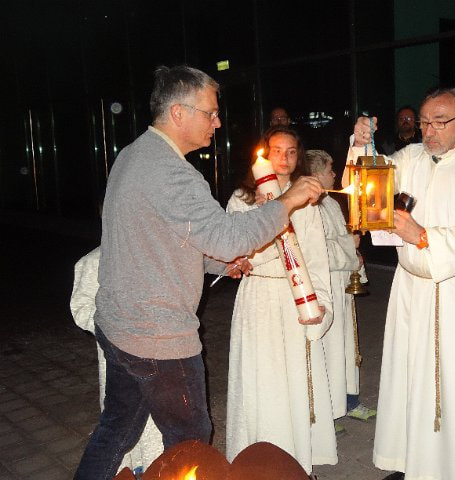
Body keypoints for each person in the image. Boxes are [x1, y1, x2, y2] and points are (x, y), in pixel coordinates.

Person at [74, 66, 323, 480]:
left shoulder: (133, 154)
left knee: (117, 429)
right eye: (210, 112)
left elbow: (162, 239)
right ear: (178, 113)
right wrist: (288, 201)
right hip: (158, 339)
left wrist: (218, 264)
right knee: (191, 445)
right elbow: (227, 237)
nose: (218, 122)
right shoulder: (173, 173)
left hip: (121, 329)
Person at [348, 87, 455, 479]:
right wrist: (361, 145)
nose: (428, 131)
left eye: (439, 122)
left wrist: (421, 236)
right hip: (410, 289)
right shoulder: (408, 159)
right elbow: (366, 187)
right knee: (408, 377)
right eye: (424, 122)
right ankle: (410, 463)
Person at [225, 127, 337, 475]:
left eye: (291, 152)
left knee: (292, 382)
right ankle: (254, 463)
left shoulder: (307, 198)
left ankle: (295, 463)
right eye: (276, 150)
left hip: (294, 301)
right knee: (261, 381)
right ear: (265, 153)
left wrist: (321, 303)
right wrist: (261, 218)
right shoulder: (242, 200)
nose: (284, 158)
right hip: (258, 298)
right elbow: (238, 253)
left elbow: (316, 257)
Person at [71, 247, 164, 476]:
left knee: (154, 419)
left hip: (155, 353)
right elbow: (80, 307)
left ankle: (152, 467)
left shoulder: (149, 252)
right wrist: (112, 325)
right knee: (121, 419)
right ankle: (125, 469)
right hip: (116, 355)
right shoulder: (93, 261)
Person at [305, 149, 377, 426]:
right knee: (330, 350)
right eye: (329, 170)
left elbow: (341, 240)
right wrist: (350, 246)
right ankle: (327, 412)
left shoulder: (332, 204)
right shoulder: (307, 207)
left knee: (347, 348)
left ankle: (350, 401)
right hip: (326, 285)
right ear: (315, 174)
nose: (334, 174)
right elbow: (316, 251)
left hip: (342, 285)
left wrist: (356, 258)